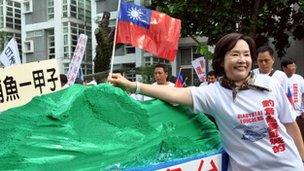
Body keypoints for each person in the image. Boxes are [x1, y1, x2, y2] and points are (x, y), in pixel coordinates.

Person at [108, 33, 304, 170]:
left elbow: (290, 125)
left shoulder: (270, 83)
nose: (242, 60)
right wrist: (132, 86)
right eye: (235, 54)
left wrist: (302, 161)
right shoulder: (212, 94)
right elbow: (175, 94)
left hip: (289, 165)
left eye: (246, 54)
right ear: (220, 61)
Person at [281, 57, 304, 141]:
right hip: (285, 115)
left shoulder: (299, 78)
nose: (294, 69)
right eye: (291, 67)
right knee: (289, 138)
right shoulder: (279, 79)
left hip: (299, 114)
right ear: (284, 68)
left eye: (294, 67)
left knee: (300, 136)